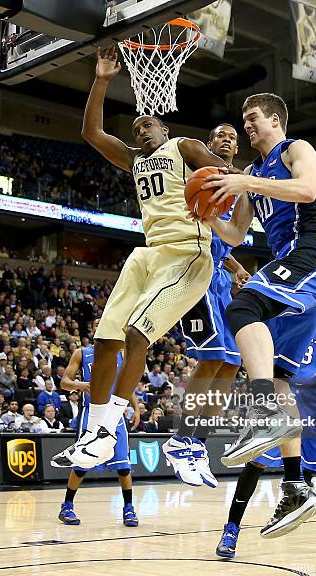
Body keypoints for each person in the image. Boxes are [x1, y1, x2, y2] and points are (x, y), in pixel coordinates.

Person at [51, 46, 230, 475]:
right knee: (105, 338)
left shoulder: (183, 147)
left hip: (187, 252)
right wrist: (101, 79)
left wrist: (221, 183)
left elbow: (227, 175)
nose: (140, 131)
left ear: (164, 127)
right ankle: (95, 436)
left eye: (147, 124)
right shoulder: (134, 161)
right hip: (147, 253)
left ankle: (109, 428)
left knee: (137, 333)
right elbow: (92, 133)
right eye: (135, 128)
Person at [197, 93, 316, 533]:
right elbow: (237, 234)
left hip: (310, 255)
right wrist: (202, 214)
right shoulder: (253, 175)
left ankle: (262, 414)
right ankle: (295, 488)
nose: (247, 126)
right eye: (245, 120)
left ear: (275, 120)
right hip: (294, 270)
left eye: (253, 118)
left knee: (243, 306)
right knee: (279, 375)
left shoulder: (296, 149)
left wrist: (245, 183)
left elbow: (307, 190)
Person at [216, 312, 316, 554]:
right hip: (280, 392)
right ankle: (231, 530)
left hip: (313, 398)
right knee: (255, 463)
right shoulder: (284, 312)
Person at [164, 123, 250, 487]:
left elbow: (224, 240)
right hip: (195, 273)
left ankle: (198, 445)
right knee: (212, 357)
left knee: (231, 365)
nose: (228, 139)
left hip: (218, 278)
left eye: (233, 136)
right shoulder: (199, 174)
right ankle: (180, 438)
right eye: (220, 135)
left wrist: (237, 266)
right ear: (210, 144)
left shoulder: (238, 183)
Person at [56, 320, 140, 527]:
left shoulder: (121, 354)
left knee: (123, 465)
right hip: (91, 413)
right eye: (96, 324)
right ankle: (67, 506)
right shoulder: (82, 353)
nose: (101, 326)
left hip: (115, 415)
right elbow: (64, 382)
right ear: (94, 330)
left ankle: (128, 508)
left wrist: (136, 408)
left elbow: (127, 384)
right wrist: (81, 385)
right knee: (82, 463)